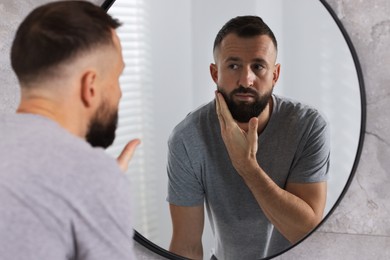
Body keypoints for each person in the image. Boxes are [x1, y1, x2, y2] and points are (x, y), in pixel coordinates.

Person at [167, 15, 330, 260]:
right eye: (233, 66)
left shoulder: (308, 126)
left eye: (258, 66)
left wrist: (248, 167)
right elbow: (187, 247)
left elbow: (306, 232)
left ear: (275, 74)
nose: (246, 80)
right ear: (214, 72)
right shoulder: (187, 137)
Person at [0, 1, 140, 259]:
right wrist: (98, 184)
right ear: (91, 84)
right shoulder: (91, 176)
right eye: (117, 77)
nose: (119, 92)